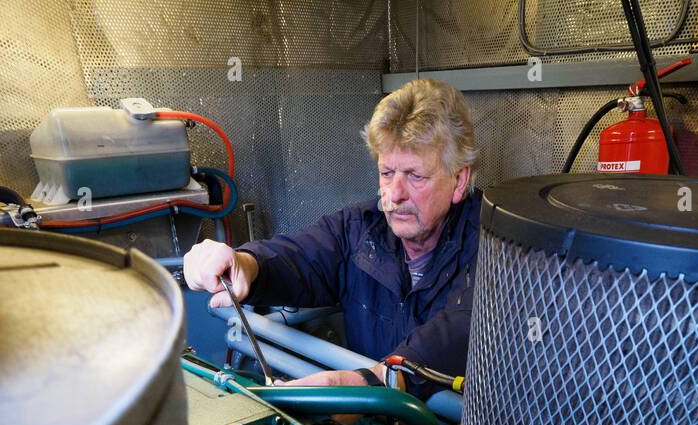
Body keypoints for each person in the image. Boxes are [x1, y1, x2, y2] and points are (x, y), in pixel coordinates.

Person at [182, 77, 480, 392]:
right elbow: (301, 257)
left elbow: (460, 330)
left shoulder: (495, 246)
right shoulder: (361, 228)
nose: (394, 194)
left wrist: (369, 382)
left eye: (415, 176)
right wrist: (245, 264)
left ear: (459, 181)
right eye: (386, 173)